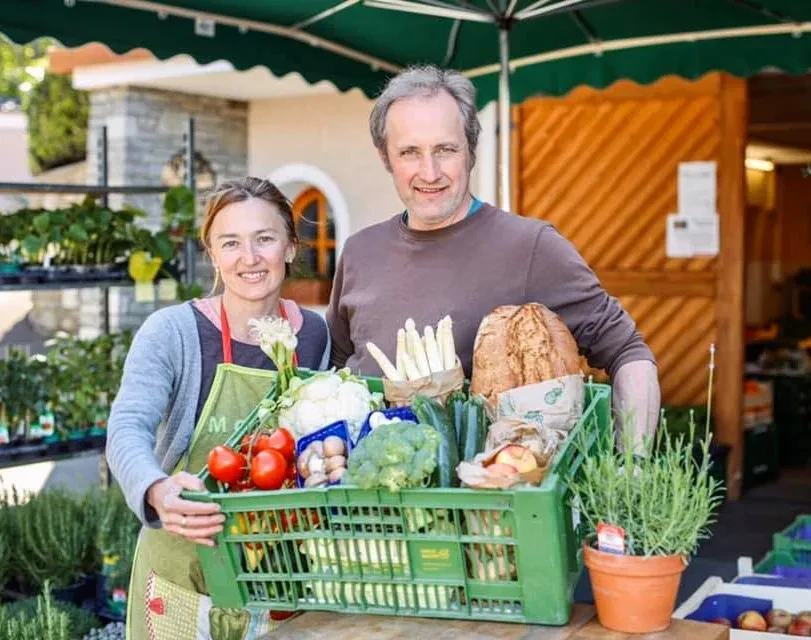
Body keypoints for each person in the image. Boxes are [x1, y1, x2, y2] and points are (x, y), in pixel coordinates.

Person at [326, 65, 660, 443]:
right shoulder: (360, 251)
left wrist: (631, 469)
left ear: (471, 149)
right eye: (410, 153)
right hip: (367, 494)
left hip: (490, 493)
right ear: (386, 158)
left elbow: (628, 353)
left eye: (446, 149)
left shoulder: (531, 246)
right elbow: (338, 371)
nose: (430, 171)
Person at [106, 177, 330, 639]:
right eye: (231, 243)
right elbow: (127, 426)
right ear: (213, 255)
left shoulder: (314, 333)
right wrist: (156, 489)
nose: (249, 258)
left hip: (278, 576)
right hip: (180, 567)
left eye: (264, 239)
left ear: (290, 247)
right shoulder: (172, 331)